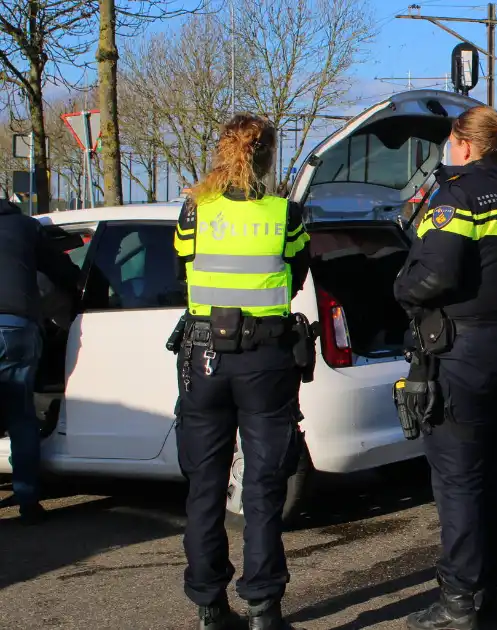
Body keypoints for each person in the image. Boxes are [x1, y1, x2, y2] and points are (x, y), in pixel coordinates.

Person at [395, 105, 497, 630]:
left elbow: (435, 275)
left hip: (464, 351)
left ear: (463, 145)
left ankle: (459, 602)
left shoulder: (457, 195)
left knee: (459, 479)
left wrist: (400, 286)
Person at [172, 114, 311, 630]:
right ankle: (264, 609)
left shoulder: (195, 211)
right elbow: (296, 277)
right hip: (266, 361)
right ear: (269, 156)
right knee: (262, 485)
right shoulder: (287, 215)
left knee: (205, 485)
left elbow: (179, 272)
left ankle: (210, 608)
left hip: (204, 358)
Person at [0, 199, 80, 523]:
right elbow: (62, 271)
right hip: (18, 327)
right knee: (21, 417)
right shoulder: (26, 227)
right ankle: (28, 501)